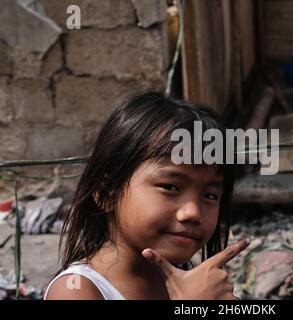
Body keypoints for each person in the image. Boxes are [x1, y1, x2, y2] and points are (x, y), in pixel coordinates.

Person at [44, 91, 250, 300]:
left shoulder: (186, 283)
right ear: (107, 193)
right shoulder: (76, 290)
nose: (193, 212)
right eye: (170, 187)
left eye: (210, 195)